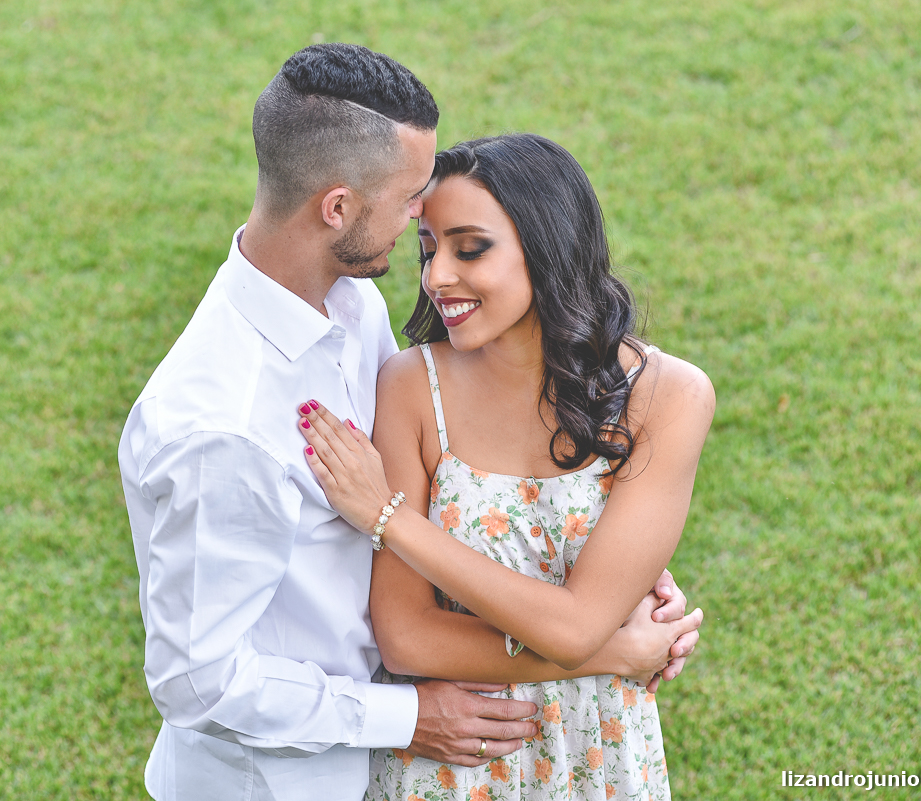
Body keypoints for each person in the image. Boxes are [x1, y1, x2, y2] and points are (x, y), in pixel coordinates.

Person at [120, 44, 699, 801]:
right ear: (337, 207)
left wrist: (599, 549)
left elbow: (450, 475)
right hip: (279, 783)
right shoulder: (221, 428)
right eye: (410, 204)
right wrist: (403, 713)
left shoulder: (349, 302)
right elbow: (199, 682)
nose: (423, 230)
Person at [295, 134, 715, 800]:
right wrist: (620, 649)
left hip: (596, 752)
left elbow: (576, 625)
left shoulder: (667, 396)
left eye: (471, 247)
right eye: (429, 249)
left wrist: (392, 520)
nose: (436, 277)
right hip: (455, 753)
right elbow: (407, 638)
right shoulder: (410, 387)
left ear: (546, 246)